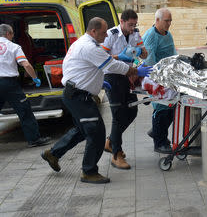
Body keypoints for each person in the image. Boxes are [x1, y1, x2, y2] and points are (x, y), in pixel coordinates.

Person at [40, 17, 151, 184]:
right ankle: (89, 171)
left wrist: (97, 83)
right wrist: (135, 71)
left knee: (82, 130)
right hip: (78, 96)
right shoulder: (89, 46)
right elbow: (112, 65)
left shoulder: (83, 43)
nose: (106, 35)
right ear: (93, 31)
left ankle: (53, 153)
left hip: (76, 92)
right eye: (103, 32)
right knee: (96, 132)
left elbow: (77, 66)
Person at [101, 9, 148, 170]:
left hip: (127, 76)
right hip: (112, 77)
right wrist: (119, 56)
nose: (132, 28)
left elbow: (145, 54)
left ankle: (110, 141)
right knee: (118, 115)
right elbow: (101, 56)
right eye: (130, 25)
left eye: (135, 25)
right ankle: (116, 154)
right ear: (121, 22)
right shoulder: (111, 34)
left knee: (132, 111)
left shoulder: (135, 34)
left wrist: (140, 51)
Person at [0, 24, 50, 147]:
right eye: (12, 34)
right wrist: (35, 78)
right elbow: (26, 65)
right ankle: (34, 140)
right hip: (9, 84)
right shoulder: (14, 47)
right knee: (25, 111)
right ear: (8, 34)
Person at [142, 8, 177, 153]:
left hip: (168, 76)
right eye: (166, 21)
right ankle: (160, 142)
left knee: (172, 107)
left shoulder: (167, 35)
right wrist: (162, 79)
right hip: (155, 77)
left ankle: (157, 131)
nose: (169, 23)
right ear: (157, 20)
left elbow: (173, 53)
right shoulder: (151, 36)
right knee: (162, 108)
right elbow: (150, 62)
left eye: (170, 21)